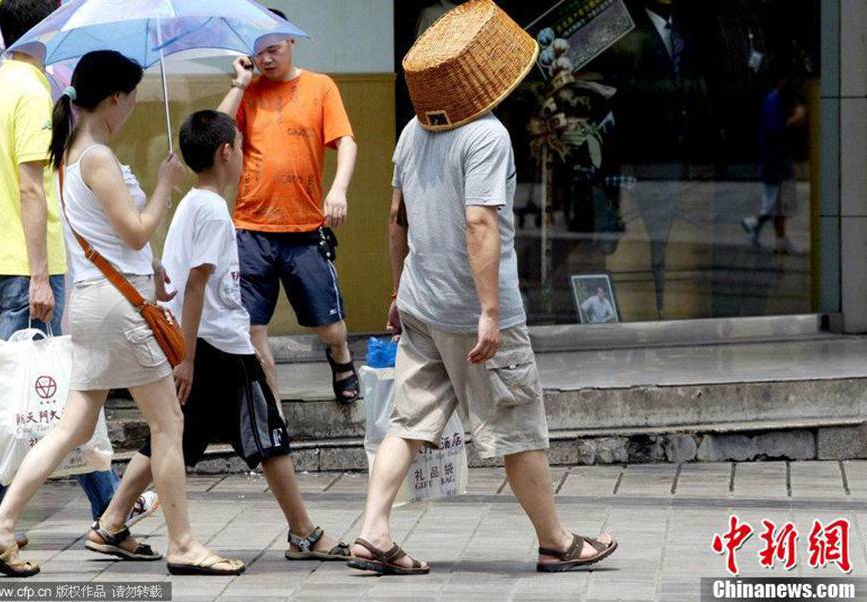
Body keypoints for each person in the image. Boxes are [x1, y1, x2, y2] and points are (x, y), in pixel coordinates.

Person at [349, 1, 617, 576]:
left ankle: (373, 532)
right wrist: (491, 312)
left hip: (421, 304)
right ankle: (556, 541)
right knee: (518, 429)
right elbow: (480, 223)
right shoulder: (487, 135)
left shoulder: (412, 133)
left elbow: (396, 220)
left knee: (407, 423)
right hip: (473, 315)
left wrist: (397, 294)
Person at [0, 50, 243, 578]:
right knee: (169, 422)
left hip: (97, 302)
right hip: (119, 309)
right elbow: (135, 231)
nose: (132, 107)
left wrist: (151, 265)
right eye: (131, 97)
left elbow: (112, 239)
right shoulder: (96, 157)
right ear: (115, 97)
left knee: (73, 426)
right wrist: (164, 185)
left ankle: (0, 527)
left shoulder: (73, 152)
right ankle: (183, 543)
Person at [92, 110, 350, 563]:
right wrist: (187, 359)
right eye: (242, 147)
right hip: (219, 344)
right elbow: (196, 284)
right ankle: (304, 533)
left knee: (174, 437)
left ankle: (111, 522)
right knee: (269, 435)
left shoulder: (194, 204)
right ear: (225, 152)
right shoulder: (211, 210)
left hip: (204, 341)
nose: (246, 156)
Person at [0, 0, 155, 552]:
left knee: (58, 386)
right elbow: (31, 187)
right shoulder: (29, 93)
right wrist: (39, 276)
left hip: (2, 253)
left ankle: (107, 505)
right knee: (21, 391)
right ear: (43, 30)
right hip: (31, 262)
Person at [217, 8, 360, 406]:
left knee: (329, 326)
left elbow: (346, 141)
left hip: (304, 228)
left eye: (274, 50)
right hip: (250, 227)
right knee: (251, 327)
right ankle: (272, 409)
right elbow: (216, 132)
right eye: (258, 52)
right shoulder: (248, 91)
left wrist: (339, 190)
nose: (266, 59)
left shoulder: (320, 87)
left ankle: (340, 353)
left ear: (291, 42)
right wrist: (239, 83)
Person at [741, 65, 806, 254]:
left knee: (777, 203)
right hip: (776, 159)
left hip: (776, 158)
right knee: (777, 202)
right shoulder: (775, 101)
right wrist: (794, 119)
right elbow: (776, 130)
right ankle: (755, 225)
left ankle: (774, 237)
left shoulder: (776, 99)